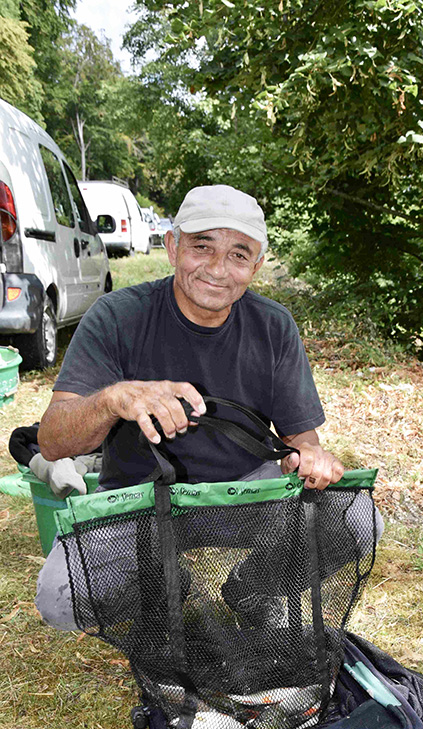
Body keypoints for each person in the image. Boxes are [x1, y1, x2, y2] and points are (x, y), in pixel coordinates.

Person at [35, 184, 382, 630]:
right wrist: (112, 399)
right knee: (60, 602)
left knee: (357, 518)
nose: (218, 269)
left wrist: (311, 455)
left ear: (256, 267)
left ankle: (252, 586)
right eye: (203, 247)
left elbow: (302, 436)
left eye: (239, 255)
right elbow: (52, 441)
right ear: (172, 247)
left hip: (244, 492)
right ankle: (164, 581)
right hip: (142, 499)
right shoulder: (115, 316)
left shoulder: (274, 326)